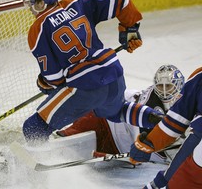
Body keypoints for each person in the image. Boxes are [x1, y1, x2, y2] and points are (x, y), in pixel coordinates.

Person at [22, 0, 162, 143]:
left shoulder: (37, 30)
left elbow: (55, 78)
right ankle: (164, 122)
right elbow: (122, 1)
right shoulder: (76, 3)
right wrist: (129, 29)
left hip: (85, 86)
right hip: (113, 71)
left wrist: (44, 84)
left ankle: (32, 165)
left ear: (41, 3)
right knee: (117, 111)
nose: (29, 7)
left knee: (34, 127)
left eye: (31, 2)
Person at [56, 64, 185, 163]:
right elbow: (151, 139)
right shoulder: (152, 102)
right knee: (69, 138)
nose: (164, 91)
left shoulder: (186, 100)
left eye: (168, 87)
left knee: (90, 160)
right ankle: (54, 144)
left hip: (118, 145)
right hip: (104, 119)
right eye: (160, 86)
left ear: (178, 86)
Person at [129, 67, 202, 188]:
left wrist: (161, 181)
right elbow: (175, 121)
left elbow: (196, 139)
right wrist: (150, 143)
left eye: (168, 86)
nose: (164, 90)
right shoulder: (199, 77)